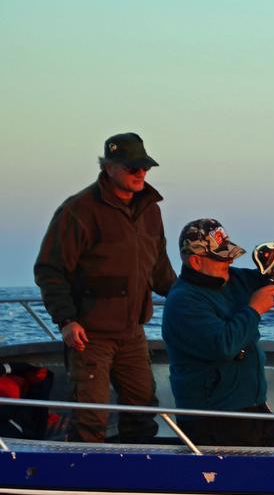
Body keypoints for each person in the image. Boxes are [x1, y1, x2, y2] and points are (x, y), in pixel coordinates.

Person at [34, 132, 176, 443]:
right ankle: (84, 484)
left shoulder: (151, 210)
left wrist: (188, 297)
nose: (141, 173)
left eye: (145, 167)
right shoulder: (78, 211)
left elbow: (161, 269)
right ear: (109, 167)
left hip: (133, 334)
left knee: (143, 408)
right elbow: (49, 269)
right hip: (89, 335)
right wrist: (67, 320)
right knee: (90, 416)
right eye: (132, 168)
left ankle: (139, 475)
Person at [161, 219, 274, 447]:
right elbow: (222, 345)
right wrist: (253, 309)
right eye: (221, 257)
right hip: (213, 419)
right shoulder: (183, 301)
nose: (230, 260)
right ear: (195, 261)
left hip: (252, 408)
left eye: (229, 254)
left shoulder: (233, 279)